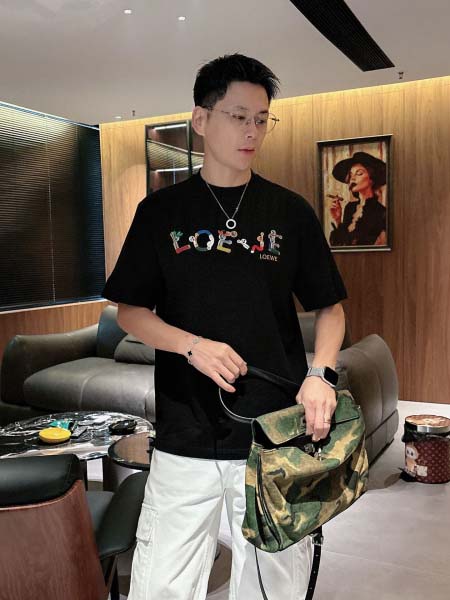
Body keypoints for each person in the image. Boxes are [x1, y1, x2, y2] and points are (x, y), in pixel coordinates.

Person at [102, 53, 348, 600]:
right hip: (185, 431)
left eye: (261, 119)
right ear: (201, 119)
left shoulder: (290, 212)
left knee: (273, 586)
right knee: (161, 584)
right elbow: (131, 312)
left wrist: (321, 375)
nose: (252, 131)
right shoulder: (160, 213)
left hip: (273, 435)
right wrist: (192, 347)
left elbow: (331, 308)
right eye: (239, 116)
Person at [328, 151, 387, 247]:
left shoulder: (381, 212)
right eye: (351, 175)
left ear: (371, 179)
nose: (352, 178)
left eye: (359, 173)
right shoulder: (350, 208)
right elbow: (341, 245)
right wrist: (337, 219)